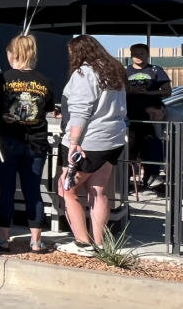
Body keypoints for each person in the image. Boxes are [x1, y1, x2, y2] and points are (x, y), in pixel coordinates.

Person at [56, 35, 128, 257]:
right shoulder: (114, 72)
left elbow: (81, 110)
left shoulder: (84, 73)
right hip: (113, 139)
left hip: (88, 142)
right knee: (98, 191)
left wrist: (74, 142)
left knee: (66, 190)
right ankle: (99, 243)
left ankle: (82, 243)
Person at [0, 35, 54, 253]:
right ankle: (36, 241)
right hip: (36, 142)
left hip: (7, 141)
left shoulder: (1, 80)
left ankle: (2, 239)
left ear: (13, 54)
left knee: (6, 190)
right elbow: (47, 108)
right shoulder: (44, 80)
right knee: (33, 191)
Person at [125, 43, 171, 188]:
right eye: (135, 54)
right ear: (131, 55)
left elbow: (167, 91)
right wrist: (132, 91)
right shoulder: (124, 72)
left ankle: (151, 179)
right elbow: (118, 92)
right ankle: (125, 181)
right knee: (130, 148)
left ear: (147, 54)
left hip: (152, 117)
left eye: (142, 54)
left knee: (151, 147)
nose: (139, 57)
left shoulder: (157, 70)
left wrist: (149, 93)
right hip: (130, 115)